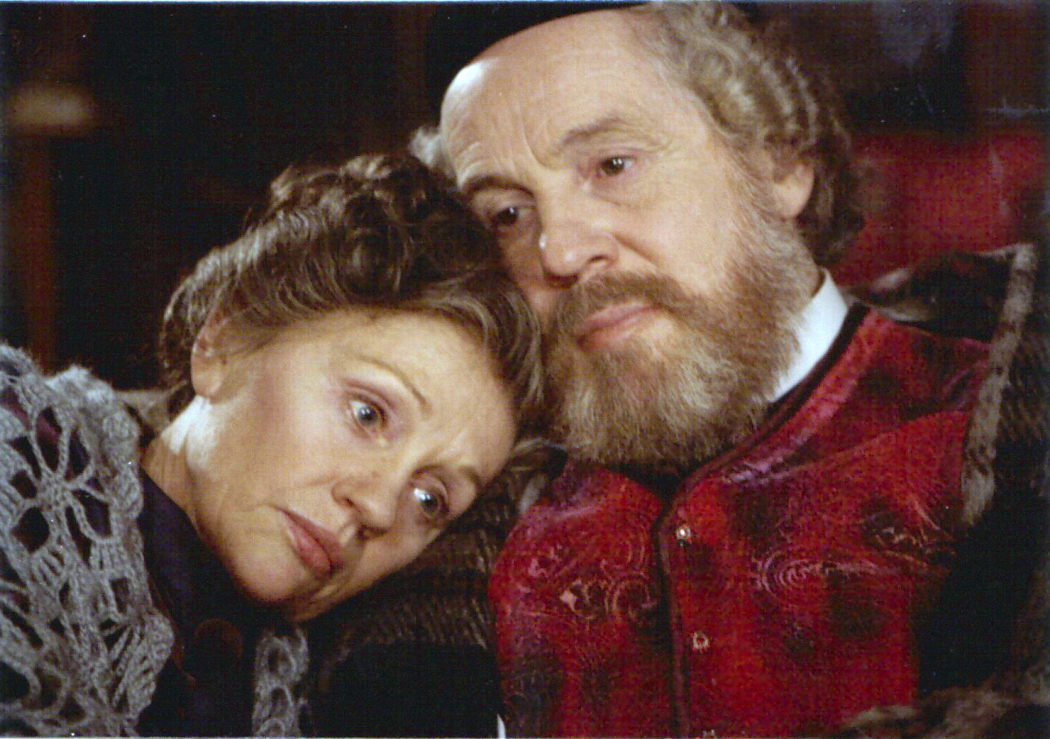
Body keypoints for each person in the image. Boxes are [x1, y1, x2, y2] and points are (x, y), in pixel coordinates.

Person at [416, 2, 1049, 736]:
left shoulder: (993, 426)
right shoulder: (476, 516)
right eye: (507, 215)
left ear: (779, 163)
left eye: (613, 166)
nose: (558, 251)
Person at [0, 153, 545, 736]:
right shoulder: (18, 459)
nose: (379, 508)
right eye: (367, 415)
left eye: (430, 499)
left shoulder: (312, 694)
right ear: (224, 341)